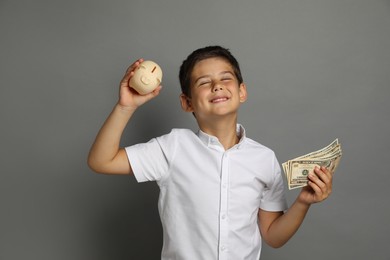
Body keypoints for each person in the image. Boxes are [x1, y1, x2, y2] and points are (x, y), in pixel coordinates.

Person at [88, 46, 334, 259]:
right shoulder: (172, 147)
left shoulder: (264, 158)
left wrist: (303, 202)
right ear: (187, 102)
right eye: (204, 82)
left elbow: (273, 236)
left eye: (225, 79)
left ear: (242, 91)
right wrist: (125, 106)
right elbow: (102, 161)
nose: (217, 86)